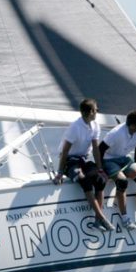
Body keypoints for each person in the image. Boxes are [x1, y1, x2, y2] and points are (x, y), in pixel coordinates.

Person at [53, 98, 112, 231]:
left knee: (100, 180)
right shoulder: (75, 128)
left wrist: (100, 168)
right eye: (96, 110)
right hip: (70, 161)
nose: (97, 112)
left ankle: (97, 221)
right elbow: (65, 151)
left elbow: (95, 148)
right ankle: (101, 217)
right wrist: (60, 173)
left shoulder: (95, 125)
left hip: (83, 160)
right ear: (90, 112)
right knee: (83, 179)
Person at [98, 110, 136, 230]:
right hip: (108, 159)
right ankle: (125, 218)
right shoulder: (116, 133)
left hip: (124, 158)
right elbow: (100, 149)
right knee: (122, 182)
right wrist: (100, 169)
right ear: (132, 125)